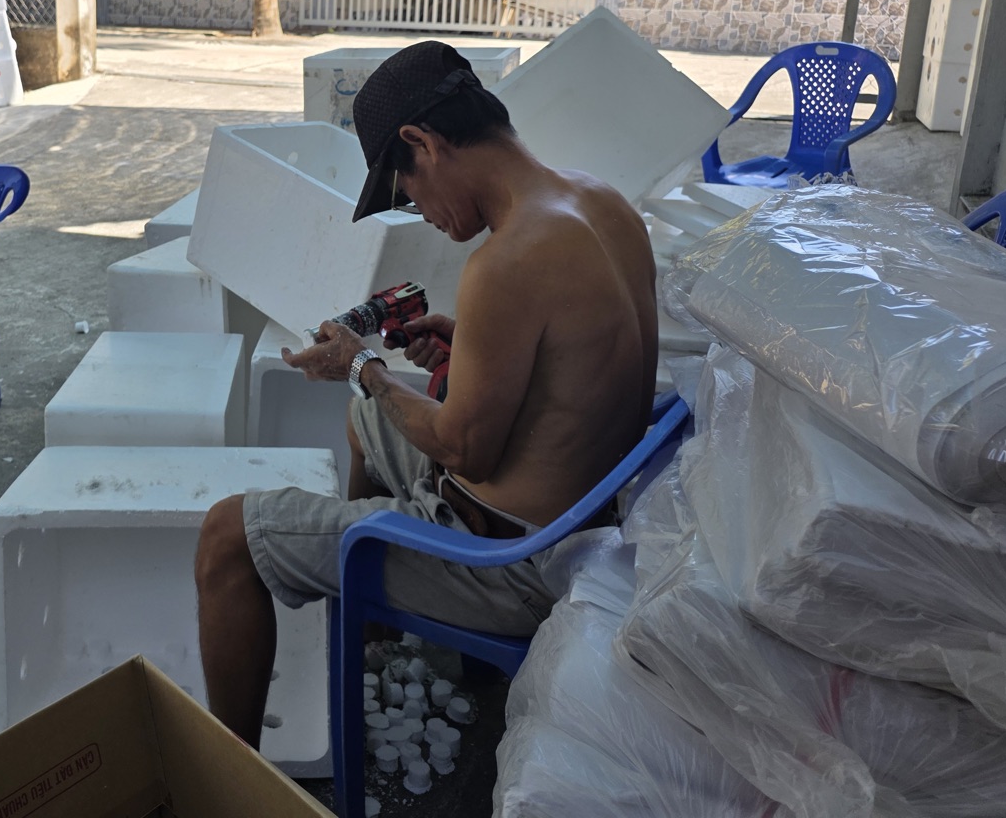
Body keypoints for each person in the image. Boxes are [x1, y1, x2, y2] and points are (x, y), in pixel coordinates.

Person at [193, 40, 658, 748]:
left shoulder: (506, 262)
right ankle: (373, 627)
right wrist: (471, 348)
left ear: (423, 143)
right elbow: (577, 369)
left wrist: (363, 367)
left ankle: (224, 780)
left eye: (407, 192)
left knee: (226, 536)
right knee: (365, 421)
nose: (420, 211)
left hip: (510, 563)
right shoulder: (601, 202)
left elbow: (464, 448)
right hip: (586, 520)